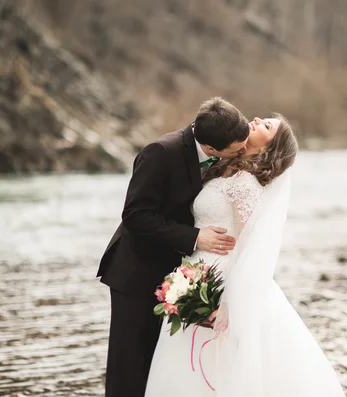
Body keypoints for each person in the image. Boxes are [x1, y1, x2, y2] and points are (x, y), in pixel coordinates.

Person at [145, 115, 346, 397]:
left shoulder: (245, 183)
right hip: (196, 270)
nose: (256, 119)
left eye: (266, 126)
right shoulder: (221, 169)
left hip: (223, 278)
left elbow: (250, 246)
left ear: (270, 148)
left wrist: (228, 302)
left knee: (224, 359)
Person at [97, 97, 250, 397]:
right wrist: (195, 237)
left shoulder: (219, 148)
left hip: (176, 275)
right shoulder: (160, 153)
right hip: (137, 273)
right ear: (210, 149)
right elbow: (135, 215)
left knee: (162, 362)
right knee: (131, 365)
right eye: (236, 150)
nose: (242, 152)